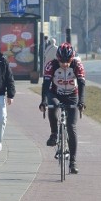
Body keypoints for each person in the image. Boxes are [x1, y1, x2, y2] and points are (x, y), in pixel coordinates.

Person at [39, 42, 86, 174]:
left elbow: (82, 85)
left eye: (67, 62)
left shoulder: (77, 65)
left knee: (71, 127)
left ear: (72, 59)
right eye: (61, 61)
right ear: (57, 59)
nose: (64, 65)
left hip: (72, 95)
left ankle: (73, 161)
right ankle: (54, 133)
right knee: (52, 105)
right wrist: (43, 101)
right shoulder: (51, 65)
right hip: (56, 93)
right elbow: (45, 84)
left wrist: (81, 101)